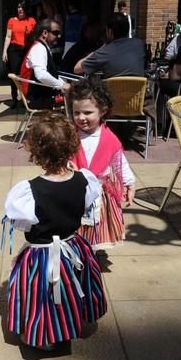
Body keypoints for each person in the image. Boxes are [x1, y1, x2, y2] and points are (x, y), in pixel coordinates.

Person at [2, 111, 106, 350]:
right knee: (71, 285)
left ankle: (44, 334)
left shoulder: (29, 191)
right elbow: (87, 206)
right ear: (71, 146)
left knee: (43, 295)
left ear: (36, 152)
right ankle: (68, 323)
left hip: (42, 254)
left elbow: (22, 224)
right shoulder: (84, 180)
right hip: (73, 246)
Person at [69, 78, 136, 250]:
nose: (81, 117)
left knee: (96, 222)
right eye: (76, 113)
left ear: (103, 110)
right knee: (74, 223)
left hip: (99, 190)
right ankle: (77, 247)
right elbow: (61, 155)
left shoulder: (109, 139)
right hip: (74, 188)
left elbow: (119, 162)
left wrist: (129, 183)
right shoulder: (70, 135)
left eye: (87, 112)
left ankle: (90, 250)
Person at [73, 12, 144, 78]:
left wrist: (94, 53)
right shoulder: (139, 44)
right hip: (138, 91)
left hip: (113, 91)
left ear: (110, 31)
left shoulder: (104, 51)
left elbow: (77, 69)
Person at [21, 18, 70, 109]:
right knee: (78, 100)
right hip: (36, 98)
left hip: (43, 94)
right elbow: (41, 75)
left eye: (59, 33)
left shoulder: (43, 47)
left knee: (78, 96)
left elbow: (51, 74)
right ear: (45, 33)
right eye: (55, 33)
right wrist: (62, 85)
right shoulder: (39, 49)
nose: (59, 36)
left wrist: (64, 85)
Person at [2, 0, 36, 107]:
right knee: (14, 74)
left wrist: (29, 35)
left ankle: (26, 97)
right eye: (18, 7)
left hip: (27, 48)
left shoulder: (31, 20)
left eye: (22, 7)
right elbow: (8, 36)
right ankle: (14, 98)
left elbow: (35, 36)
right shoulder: (12, 20)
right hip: (14, 49)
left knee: (27, 74)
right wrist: (4, 51)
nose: (20, 9)